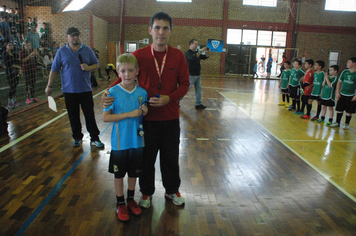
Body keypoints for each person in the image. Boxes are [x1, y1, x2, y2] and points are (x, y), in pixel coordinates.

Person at [103, 11, 190, 208]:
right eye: (157, 28)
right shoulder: (139, 55)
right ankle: (146, 193)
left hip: (170, 118)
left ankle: (171, 190)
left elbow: (184, 84)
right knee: (146, 159)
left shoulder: (178, 56)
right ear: (150, 30)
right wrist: (108, 92)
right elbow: (124, 76)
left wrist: (170, 98)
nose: (161, 32)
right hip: (145, 119)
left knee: (170, 158)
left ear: (170, 31)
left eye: (165, 28)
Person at [103, 53, 148, 222]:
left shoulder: (142, 93)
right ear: (118, 73)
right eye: (123, 71)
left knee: (134, 173)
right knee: (119, 174)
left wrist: (145, 111)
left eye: (130, 70)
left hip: (137, 142)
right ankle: (120, 202)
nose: (127, 74)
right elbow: (106, 117)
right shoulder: (112, 92)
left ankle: (130, 199)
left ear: (137, 71)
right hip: (119, 144)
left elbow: (144, 111)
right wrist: (129, 114)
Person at [45, 27, 104, 148]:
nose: (75, 37)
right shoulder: (61, 52)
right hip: (69, 91)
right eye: (72, 35)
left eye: (77, 35)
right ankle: (77, 137)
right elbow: (54, 70)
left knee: (89, 115)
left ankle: (94, 138)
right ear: (67, 37)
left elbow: (96, 64)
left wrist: (88, 68)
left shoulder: (87, 50)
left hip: (85, 90)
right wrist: (49, 85)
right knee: (73, 116)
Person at [329, 57, 356, 129]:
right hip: (342, 94)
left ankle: (346, 124)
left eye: (349, 62)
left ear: (354, 63)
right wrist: (337, 92)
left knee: (349, 111)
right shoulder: (344, 72)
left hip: (351, 95)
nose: (347, 63)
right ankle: (337, 122)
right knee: (339, 109)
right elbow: (339, 82)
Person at [185, 38, 209, 109]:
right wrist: (201, 50)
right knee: (186, 89)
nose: (196, 45)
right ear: (191, 44)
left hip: (198, 75)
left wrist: (207, 51)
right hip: (191, 75)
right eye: (195, 44)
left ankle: (198, 104)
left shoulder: (196, 53)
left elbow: (205, 57)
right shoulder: (188, 53)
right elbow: (192, 58)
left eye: (197, 44)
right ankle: (176, 102)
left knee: (199, 89)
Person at [2, 42, 22, 108]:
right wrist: (18, 67)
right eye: (9, 45)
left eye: (11, 45)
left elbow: (18, 62)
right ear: (6, 46)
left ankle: (14, 101)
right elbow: (8, 64)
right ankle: (9, 101)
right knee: (12, 86)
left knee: (15, 86)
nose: (11, 46)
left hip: (15, 72)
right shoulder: (5, 54)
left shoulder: (14, 54)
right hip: (9, 72)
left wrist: (19, 69)